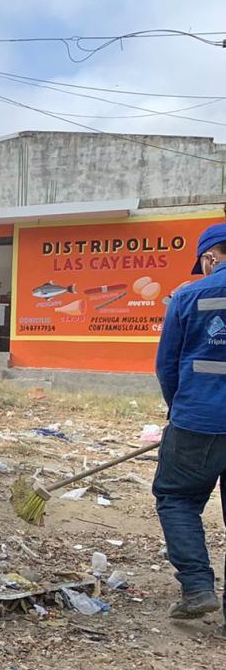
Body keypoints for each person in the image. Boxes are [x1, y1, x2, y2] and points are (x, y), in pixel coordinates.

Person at [153, 222, 226, 628]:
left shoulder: (188, 294)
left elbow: (167, 365)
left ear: (210, 257)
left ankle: (198, 588)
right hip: (200, 416)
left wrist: (177, 409)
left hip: (197, 419)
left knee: (177, 499)